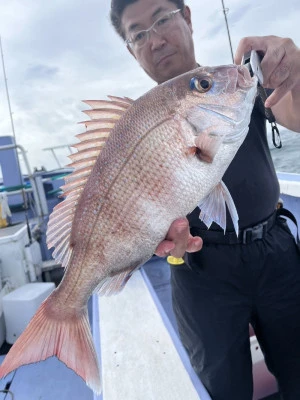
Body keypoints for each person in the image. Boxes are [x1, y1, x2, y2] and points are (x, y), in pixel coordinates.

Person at [110, 1, 300, 399]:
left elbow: (295, 112)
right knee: (224, 389)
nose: (156, 39)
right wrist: (161, 241)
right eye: (139, 33)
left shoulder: (234, 82)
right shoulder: (133, 129)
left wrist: (295, 76)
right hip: (198, 268)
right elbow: (132, 212)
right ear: (130, 49)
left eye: (162, 18)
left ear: (188, 17)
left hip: (276, 251)